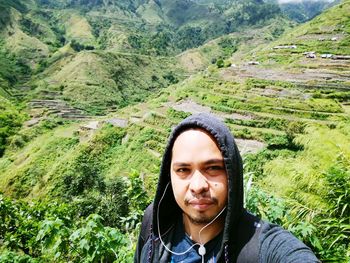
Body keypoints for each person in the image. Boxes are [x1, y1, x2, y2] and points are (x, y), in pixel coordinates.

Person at [134, 113, 319, 262]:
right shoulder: (155, 224)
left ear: (232, 172)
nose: (198, 186)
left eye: (213, 168)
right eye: (183, 170)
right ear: (170, 176)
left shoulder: (262, 246)